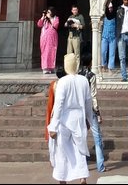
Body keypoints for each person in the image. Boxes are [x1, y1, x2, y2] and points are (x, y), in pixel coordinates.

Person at [47, 52, 94, 185]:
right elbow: (88, 102)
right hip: (79, 117)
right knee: (80, 149)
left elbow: (59, 104)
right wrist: (88, 119)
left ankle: (63, 180)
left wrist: (53, 126)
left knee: (61, 150)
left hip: (65, 119)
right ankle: (82, 178)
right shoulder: (83, 80)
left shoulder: (62, 82)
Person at [79, 52, 105, 174]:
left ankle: (82, 165)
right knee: (97, 137)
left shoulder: (78, 75)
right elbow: (93, 95)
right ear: (90, 62)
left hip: (80, 108)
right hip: (90, 108)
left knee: (82, 137)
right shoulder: (91, 75)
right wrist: (98, 111)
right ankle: (100, 165)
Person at [38, 6, 60, 74]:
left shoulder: (56, 18)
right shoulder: (44, 19)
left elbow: (55, 25)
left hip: (52, 37)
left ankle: (51, 67)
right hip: (44, 38)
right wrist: (42, 17)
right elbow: (39, 24)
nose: (47, 13)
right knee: (45, 52)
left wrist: (50, 18)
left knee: (52, 51)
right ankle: (45, 67)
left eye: (49, 12)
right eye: (47, 12)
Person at [99, 2, 117, 72]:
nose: (110, 9)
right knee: (103, 52)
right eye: (109, 8)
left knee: (112, 53)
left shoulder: (114, 16)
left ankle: (110, 67)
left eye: (111, 7)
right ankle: (104, 65)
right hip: (105, 36)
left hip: (113, 37)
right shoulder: (104, 16)